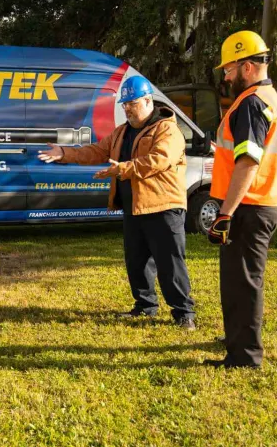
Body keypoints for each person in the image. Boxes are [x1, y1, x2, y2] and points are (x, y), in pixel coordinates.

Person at [39, 75, 197, 330]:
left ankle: (183, 313)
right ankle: (145, 307)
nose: (127, 109)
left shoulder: (167, 129)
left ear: (147, 101)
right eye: (124, 105)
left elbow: (159, 160)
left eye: (131, 103)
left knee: (170, 263)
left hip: (163, 207)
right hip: (134, 207)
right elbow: (97, 151)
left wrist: (123, 169)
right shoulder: (122, 132)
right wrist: (64, 153)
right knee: (137, 261)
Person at [204, 30, 277, 369]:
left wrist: (225, 213)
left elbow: (248, 161)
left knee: (242, 282)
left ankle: (244, 356)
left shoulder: (251, 103)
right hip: (266, 200)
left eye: (228, 69)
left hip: (250, 205)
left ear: (246, 66)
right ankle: (238, 339)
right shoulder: (271, 98)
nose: (225, 77)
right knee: (243, 278)